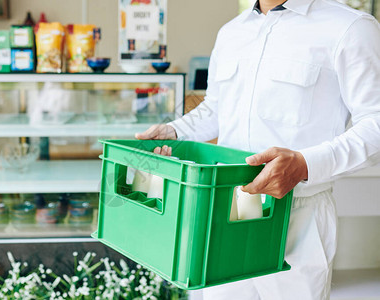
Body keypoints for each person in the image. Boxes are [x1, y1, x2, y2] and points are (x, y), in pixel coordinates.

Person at [135, 0, 380, 299]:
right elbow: (215, 108)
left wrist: (305, 164)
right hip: (231, 205)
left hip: (297, 211)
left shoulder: (351, 27)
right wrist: (174, 132)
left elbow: (376, 124)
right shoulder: (231, 32)